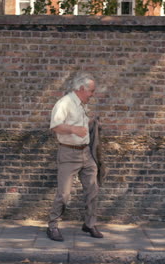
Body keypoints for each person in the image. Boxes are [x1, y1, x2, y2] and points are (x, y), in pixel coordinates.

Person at [47, 73, 103, 242]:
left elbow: (80, 124)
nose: (92, 94)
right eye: (91, 91)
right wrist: (73, 129)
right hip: (68, 153)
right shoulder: (64, 103)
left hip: (86, 153)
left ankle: (89, 224)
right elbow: (55, 126)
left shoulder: (80, 104)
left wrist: (91, 124)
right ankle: (52, 226)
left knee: (93, 190)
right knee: (63, 194)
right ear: (81, 89)